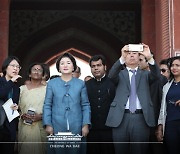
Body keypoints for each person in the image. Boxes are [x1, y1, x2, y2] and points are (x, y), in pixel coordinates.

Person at [106, 43, 159, 154]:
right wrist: (121, 57)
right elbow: (111, 76)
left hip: (141, 118)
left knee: (140, 150)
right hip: (121, 118)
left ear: (139, 57)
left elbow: (157, 75)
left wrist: (149, 57)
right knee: (120, 150)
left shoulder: (145, 74)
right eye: (128, 53)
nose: (131, 55)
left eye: (134, 53)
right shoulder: (119, 74)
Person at [43, 52, 91, 154]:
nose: (65, 65)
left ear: (73, 66)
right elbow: (47, 105)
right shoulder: (52, 83)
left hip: (76, 126)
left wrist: (85, 124)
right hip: (57, 125)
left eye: (68, 63)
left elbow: (85, 105)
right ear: (59, 68)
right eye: (62, 63)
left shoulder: (80, 84)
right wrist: (48, 124)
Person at [85, 55, 115, 154]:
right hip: (92, 130)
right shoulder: (86, 85)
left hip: (109, 130)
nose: (96, 68)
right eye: (93, 66)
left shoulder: (113, 83)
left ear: (105, 67)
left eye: (99, 65)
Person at [138, 54, 167, 154]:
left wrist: (160, 126)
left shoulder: (159, 79)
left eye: (140, 60)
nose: (137, 62)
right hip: (138, 126)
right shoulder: (132, 78)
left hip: (154, 126)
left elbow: (162, 103)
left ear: (148, 62)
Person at [18, 63, 47, 154]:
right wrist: (22, 115)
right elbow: (14, 108)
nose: (37, 71)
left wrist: (41, 117)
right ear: (29, 74)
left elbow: (53, 108)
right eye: (34, 69)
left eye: (40, 70)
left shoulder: (48, 89)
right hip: (24, 126)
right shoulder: (21, 89)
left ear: (43, 75)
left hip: (41, 127)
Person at [156, 56, 180, 154]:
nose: (174, 68)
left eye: (177, 65)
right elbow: (162, 108)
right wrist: (160, 127)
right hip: (170, 125)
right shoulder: (166, 86)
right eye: (172, 65)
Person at [0, 56, 22, 154]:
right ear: (5, 67)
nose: (15, 68)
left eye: (18, 67)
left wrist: (16, 107)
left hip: (10, 125)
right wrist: (11, 81)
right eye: (13, 65)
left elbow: (14, 102)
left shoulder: (16, 87)